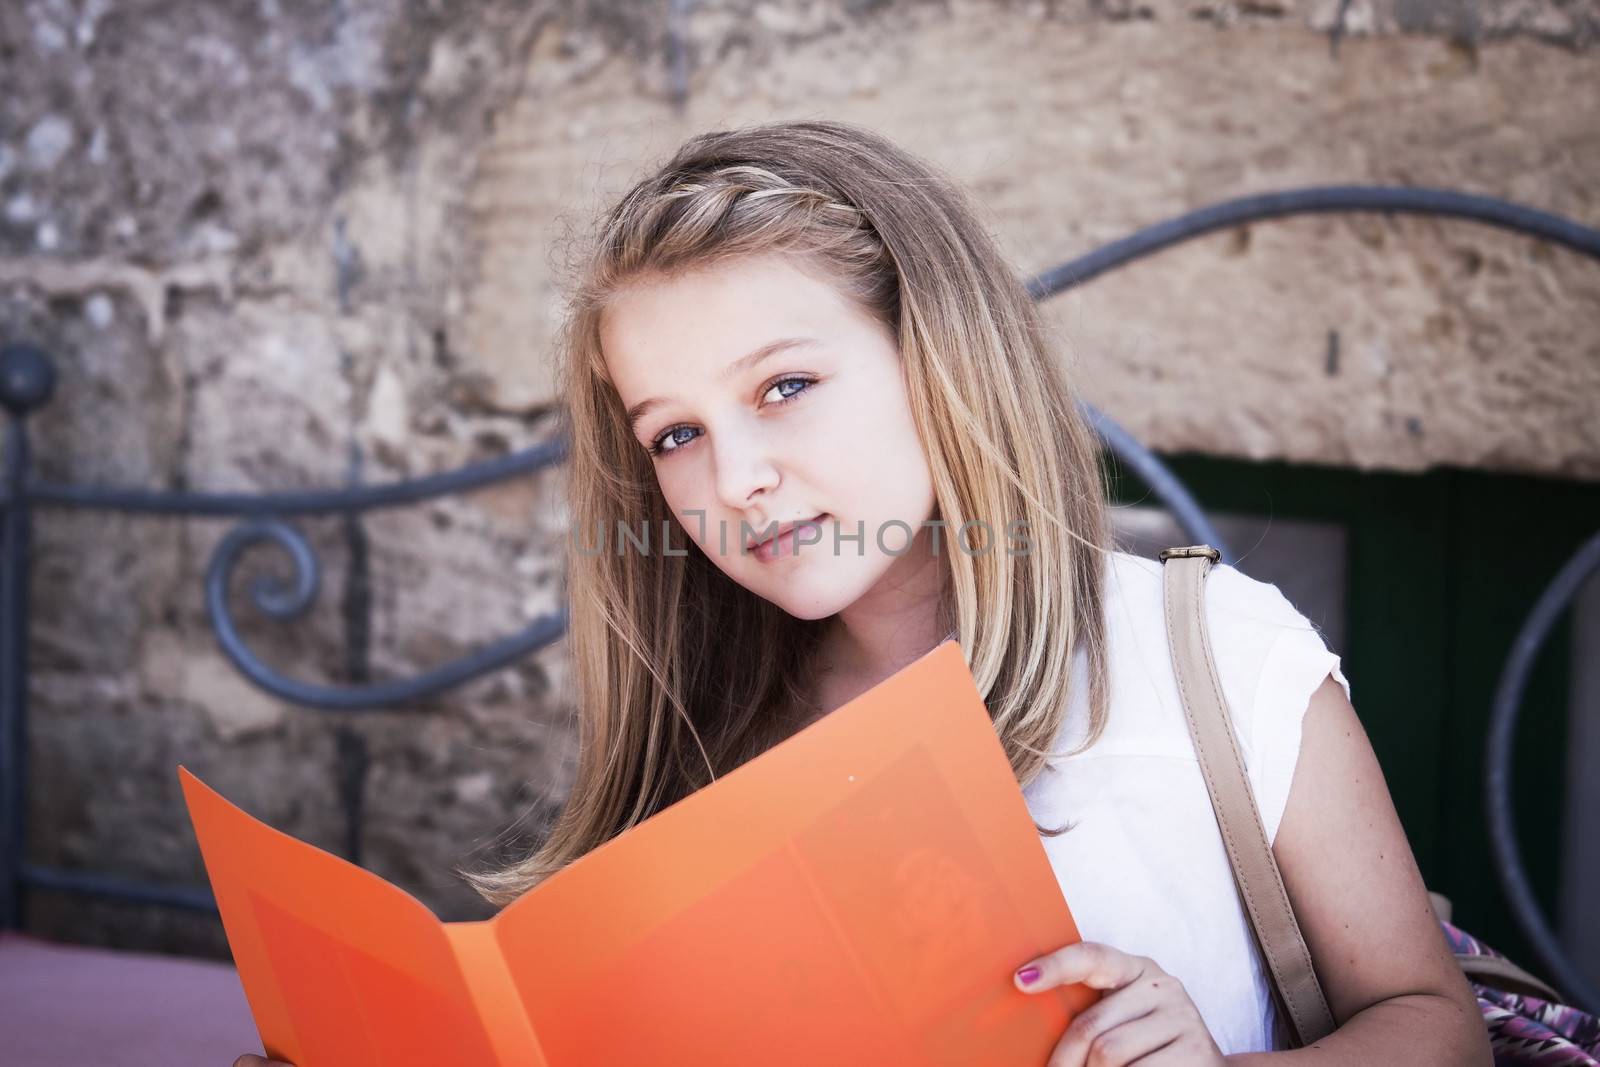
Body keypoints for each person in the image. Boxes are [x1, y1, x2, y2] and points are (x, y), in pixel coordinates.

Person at [231, 119, 1489, 1065]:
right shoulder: (701, 731)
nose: (737, 476)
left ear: (933, 353)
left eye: (782, 386)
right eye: (673, 434)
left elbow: (1436, 1026)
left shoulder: (1208, 650)